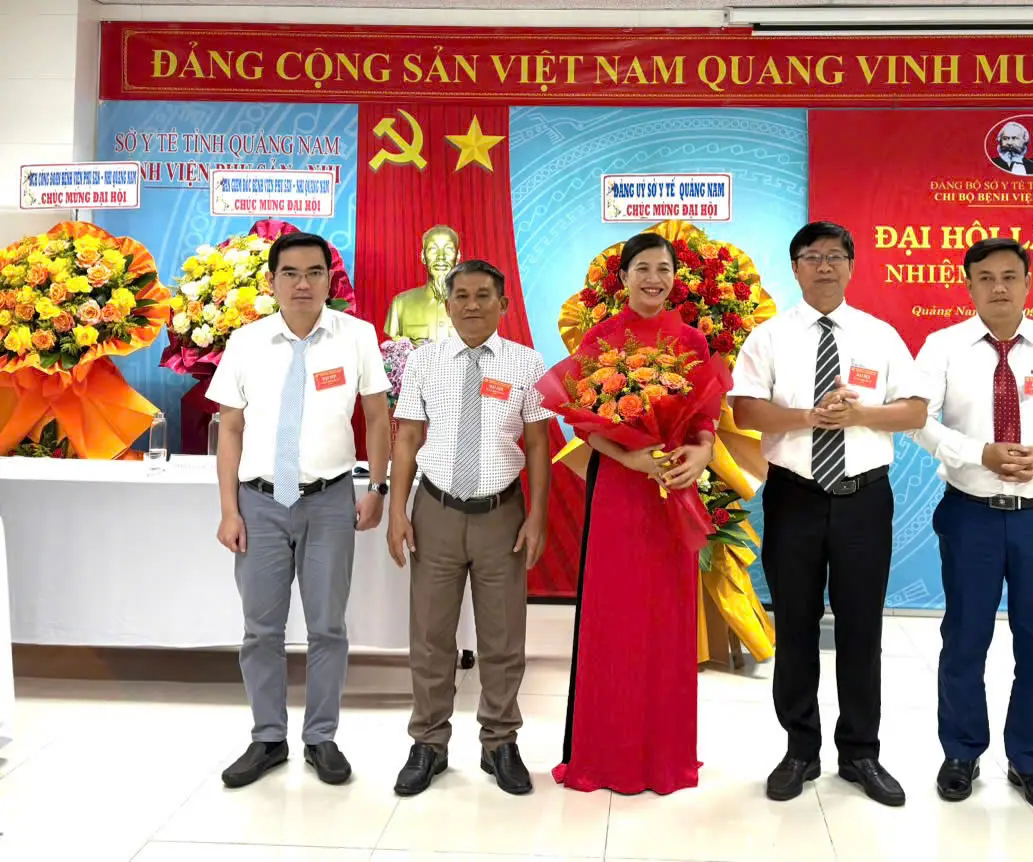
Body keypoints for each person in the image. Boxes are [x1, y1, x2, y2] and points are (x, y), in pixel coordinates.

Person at [730, 221, 927, 805]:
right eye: (812, 257)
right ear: (795, 268)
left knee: (862, 628)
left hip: (864, 498)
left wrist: (860, 416)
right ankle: (800, 750)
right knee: (795, 625)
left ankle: (861, 753)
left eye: (835, 256)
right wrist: (808, 418)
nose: (824, 266)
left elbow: (914, 412)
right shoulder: (768, 337)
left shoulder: (879, 335)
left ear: (851, 266)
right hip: (795, 496)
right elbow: (745, 411)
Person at [910, 237, 1033, 814]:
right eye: (986, 277)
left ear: (1027, 282)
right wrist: (978, 453)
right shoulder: (943, 346)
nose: (999, 287)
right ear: (968, 285)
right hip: (970, 514)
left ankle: (1030, 760)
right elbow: (917, 418)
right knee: (964, 638)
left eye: (1010, 276)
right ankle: (961, 753)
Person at [210, 231, 392, 788]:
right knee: (260, 630)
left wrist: (377, 488)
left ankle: (321, 738)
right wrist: (229, 510)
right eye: (290, 273)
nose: (303, 283)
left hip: (330, 501)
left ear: (330, 281)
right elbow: (230, 428)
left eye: (314, 272)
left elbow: (378, 417)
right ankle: (268, 737)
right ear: (272, 281)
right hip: (259, 503)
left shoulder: (357, 336)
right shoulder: (245, 341)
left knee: (328, 627)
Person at [551, 232, 728, 795]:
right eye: (643, 268)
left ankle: (664, 757)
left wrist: (700, 453)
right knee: (615, 615)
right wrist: (631, 456)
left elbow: (705, 418)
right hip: (620, 492)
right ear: (624, 277)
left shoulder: (693, 341)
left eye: (664, 269)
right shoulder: (600, 338)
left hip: (672, 486)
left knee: (667, 617)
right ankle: (606, 755)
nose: (654, 278)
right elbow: (583, 421)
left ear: (676, 276)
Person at [386, 259, 553, 797]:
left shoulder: (527, 363)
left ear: (503, 305)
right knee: (430, 637)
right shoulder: (424, 361)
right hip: (434, 511)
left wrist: (537, 515)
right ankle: (428, 743)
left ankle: (499, 742)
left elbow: (538, 445)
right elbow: (407, 438)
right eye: (462, 295)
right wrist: (397, 511)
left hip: (502, 515)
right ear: (448, 302)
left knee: (503, 638)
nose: (473, 305)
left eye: (484, 295)